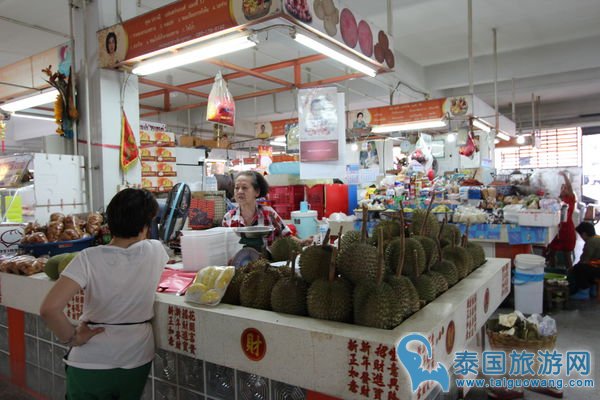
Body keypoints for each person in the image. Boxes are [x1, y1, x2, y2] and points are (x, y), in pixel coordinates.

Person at [39, 188, 169, 399]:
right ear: (146, 224)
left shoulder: (88, 258)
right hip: (137, 356)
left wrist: (73, 338)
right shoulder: (155, 251)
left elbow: (49, 309)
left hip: (92, 359)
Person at [222, 171, 311, 249]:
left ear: (257, 192)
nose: (239, 191)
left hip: (268, 264)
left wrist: (302, 242)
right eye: (237, 188)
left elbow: (286, 236)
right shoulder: (228, 218)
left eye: (244, 188)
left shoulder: (268, 213)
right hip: (239, 264)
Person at [545, 171, 577, 269]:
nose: (564, 189)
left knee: (567, 256)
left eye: (566, 188)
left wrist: (564, 176)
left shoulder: (571, 198)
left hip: (567, 230)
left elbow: (570, 187)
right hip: (557, 230)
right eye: (562, 188)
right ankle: (553, 273)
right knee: (551, 253)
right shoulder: (558, 201)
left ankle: (571, 277)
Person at [569, 222, 600, 299]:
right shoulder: (597, 238)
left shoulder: (591, 242)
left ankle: (584, 292)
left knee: (580, 268)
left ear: (584, 234)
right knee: (590, 267)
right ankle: (593, 291)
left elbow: (584, 260)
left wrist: (572, 268)